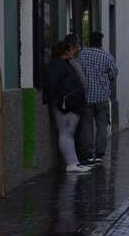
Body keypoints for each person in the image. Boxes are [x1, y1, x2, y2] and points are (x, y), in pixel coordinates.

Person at [44, 39, 90, 173]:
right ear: (67, 49)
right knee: (66, 133)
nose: (76, 52)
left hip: (71, 104)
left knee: (69, 133)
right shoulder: (58, 65)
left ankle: (74, 162)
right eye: (74, 49)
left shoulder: (64, 63)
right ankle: (72, 163)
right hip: (66, 105)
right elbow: (53, 85)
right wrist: (57, 101)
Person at [77, 32, 118, 163]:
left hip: (86, 96)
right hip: (102, 97)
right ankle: (99, 153)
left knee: (87, 125)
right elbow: (113, 74)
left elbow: (77, 72)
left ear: (89, 41)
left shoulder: (82, 55)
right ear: (101, 42)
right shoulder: (107, 56)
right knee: (102, 126)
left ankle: (88, 153)